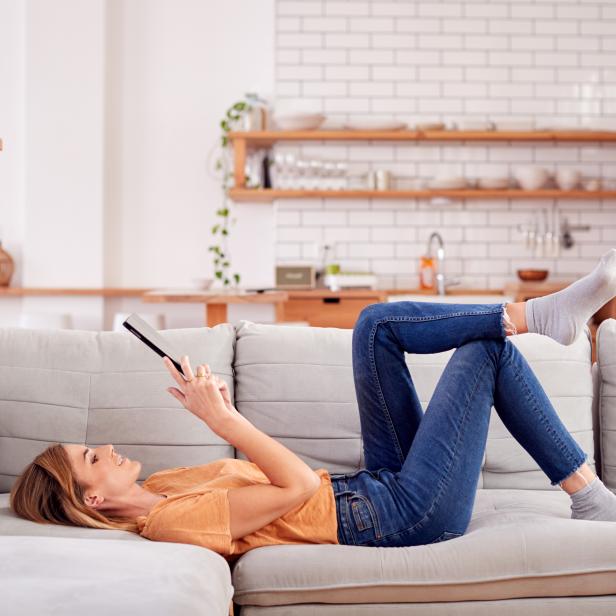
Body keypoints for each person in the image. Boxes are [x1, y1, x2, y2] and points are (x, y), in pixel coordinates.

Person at [10, 249, 616, 559]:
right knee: (484, 353)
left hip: (374, 486)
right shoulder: (167, 522)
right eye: (93, 456)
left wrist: (217, 403)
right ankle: (589, 497)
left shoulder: (168, 486)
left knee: (374, 325)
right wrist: (225, 420)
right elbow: (297, 487)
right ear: (92, 497)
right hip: (402, 518)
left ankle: (539, 315)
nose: (109, 449)